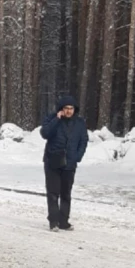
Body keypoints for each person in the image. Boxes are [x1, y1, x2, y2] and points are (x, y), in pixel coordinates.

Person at [40, 96, 89, 232]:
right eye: (66, 108)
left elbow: (84, 140)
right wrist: (57, 119)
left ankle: (64, 221)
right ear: (61, 109)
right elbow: (45, 133)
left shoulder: (79, 123)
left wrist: (77, 157)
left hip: (70, 163)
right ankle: (53, 221)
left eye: (71, 108)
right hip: (52, 161)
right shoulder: (52, 119)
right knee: (53, 193)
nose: (68, 111)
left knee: (66, 194)